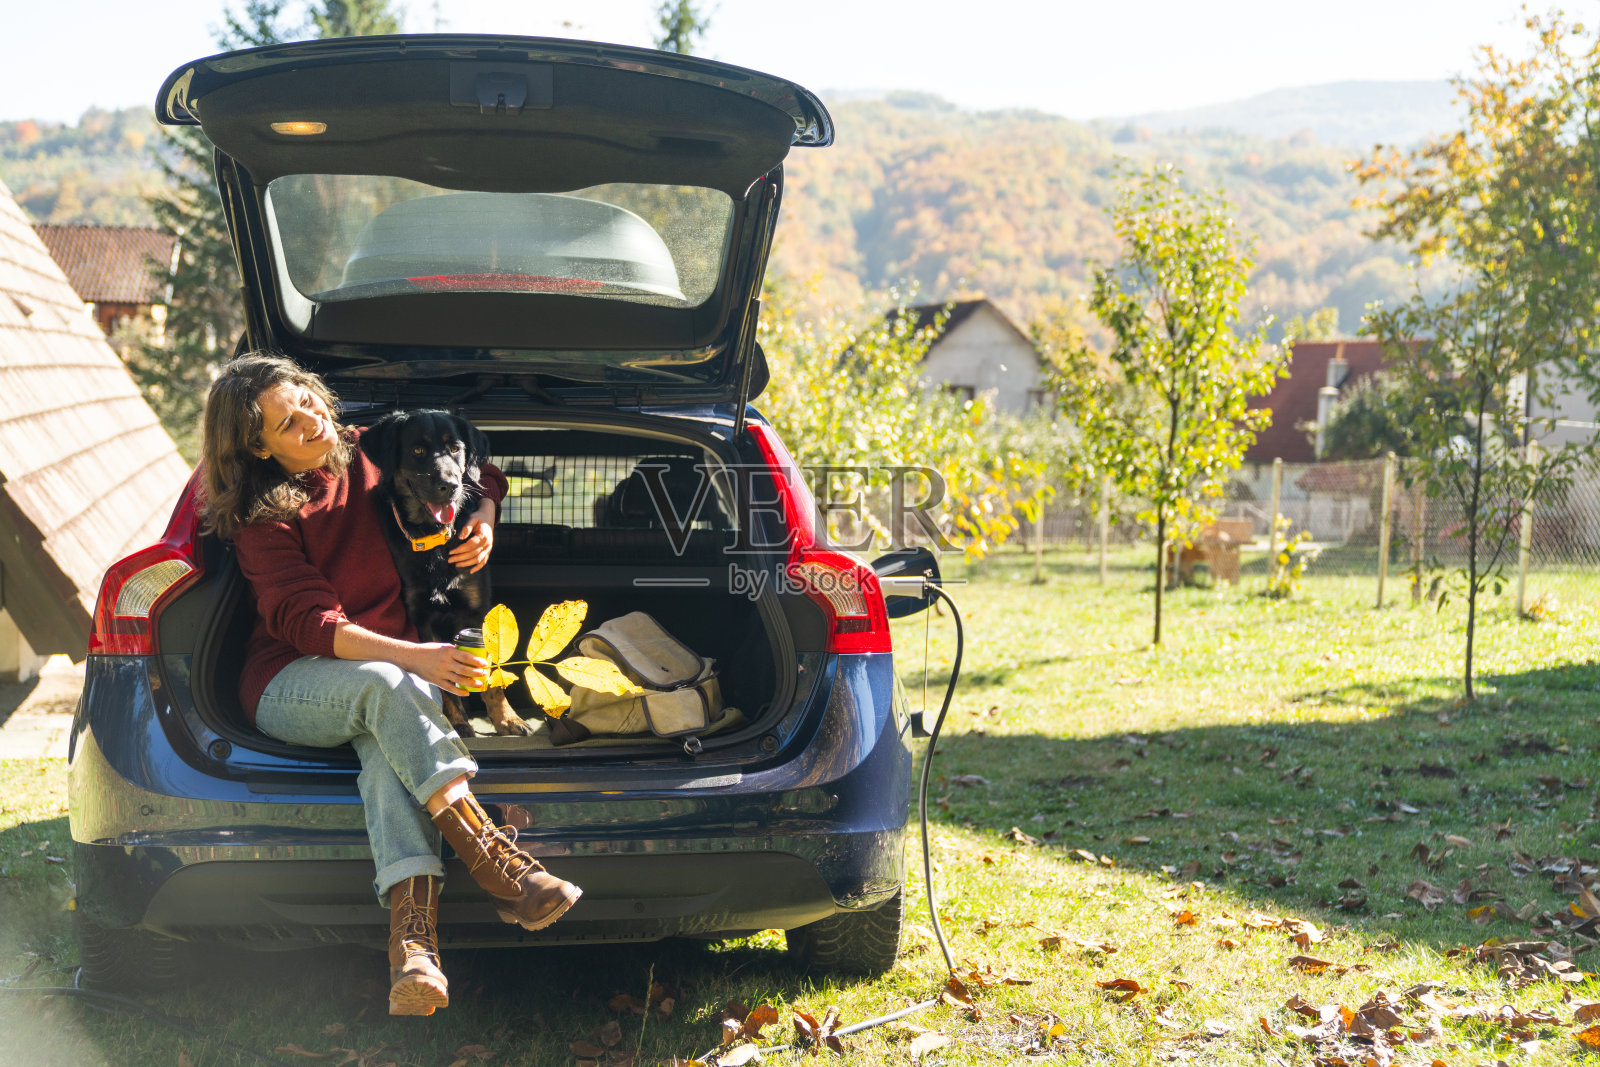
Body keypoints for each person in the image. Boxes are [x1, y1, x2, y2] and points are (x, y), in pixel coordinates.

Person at [198, 352, 581, 1016]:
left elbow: (475, 462)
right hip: (290, 683)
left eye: (311, 402)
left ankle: (415, 952)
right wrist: (418, 657)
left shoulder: (367, 449)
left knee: (388, 755)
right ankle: (499, 864)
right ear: (257, 447)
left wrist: (484, 516)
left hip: (392, 684)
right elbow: (310, 623)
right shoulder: (264, 516)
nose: (316, 421)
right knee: (383, 682)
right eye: (291, 424)